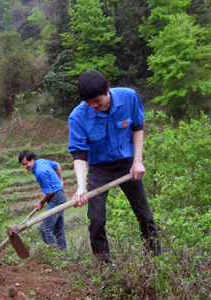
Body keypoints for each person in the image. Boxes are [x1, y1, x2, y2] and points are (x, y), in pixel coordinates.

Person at [68, 70, 160, 262]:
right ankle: (105, 269)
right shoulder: (78, 116)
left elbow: (137, 127)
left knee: (146, 217)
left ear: (107, 91)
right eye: (89, 103)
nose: (94, 106)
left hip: (127, 163)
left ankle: (155, 262)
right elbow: (79, 153)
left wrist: (138, 161)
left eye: (98, 101)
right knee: (96, 220)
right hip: (99, 168)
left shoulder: (129, 97)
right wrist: (81, 187)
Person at [19, 150, 66, 250]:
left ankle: (57, 256)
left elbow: (49, 192)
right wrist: (61, 180)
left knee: (44, 228)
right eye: (22, 165)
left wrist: (41, 202)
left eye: (26, 164)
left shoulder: (40, 171)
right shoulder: (41, 161)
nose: (25, 167)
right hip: (60, 196)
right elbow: (57, 165)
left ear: (32, 159)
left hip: (56, 198)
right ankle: (64, 256)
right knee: (58, 229)